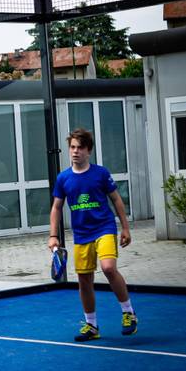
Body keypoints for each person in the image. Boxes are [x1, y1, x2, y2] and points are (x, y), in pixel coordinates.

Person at [48, 128, 137, 342]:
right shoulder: (63, 178)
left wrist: (125, 228)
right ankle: (92, 325)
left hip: (104, 228)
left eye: (80, 147)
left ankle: (128, 313)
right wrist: (52, 235)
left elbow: (116, 199)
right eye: (72, 147)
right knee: (84, 280)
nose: (75, 151)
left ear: (89, 151)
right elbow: (56, 208)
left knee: (108, 268)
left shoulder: (101, 173)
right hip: (81, 234)